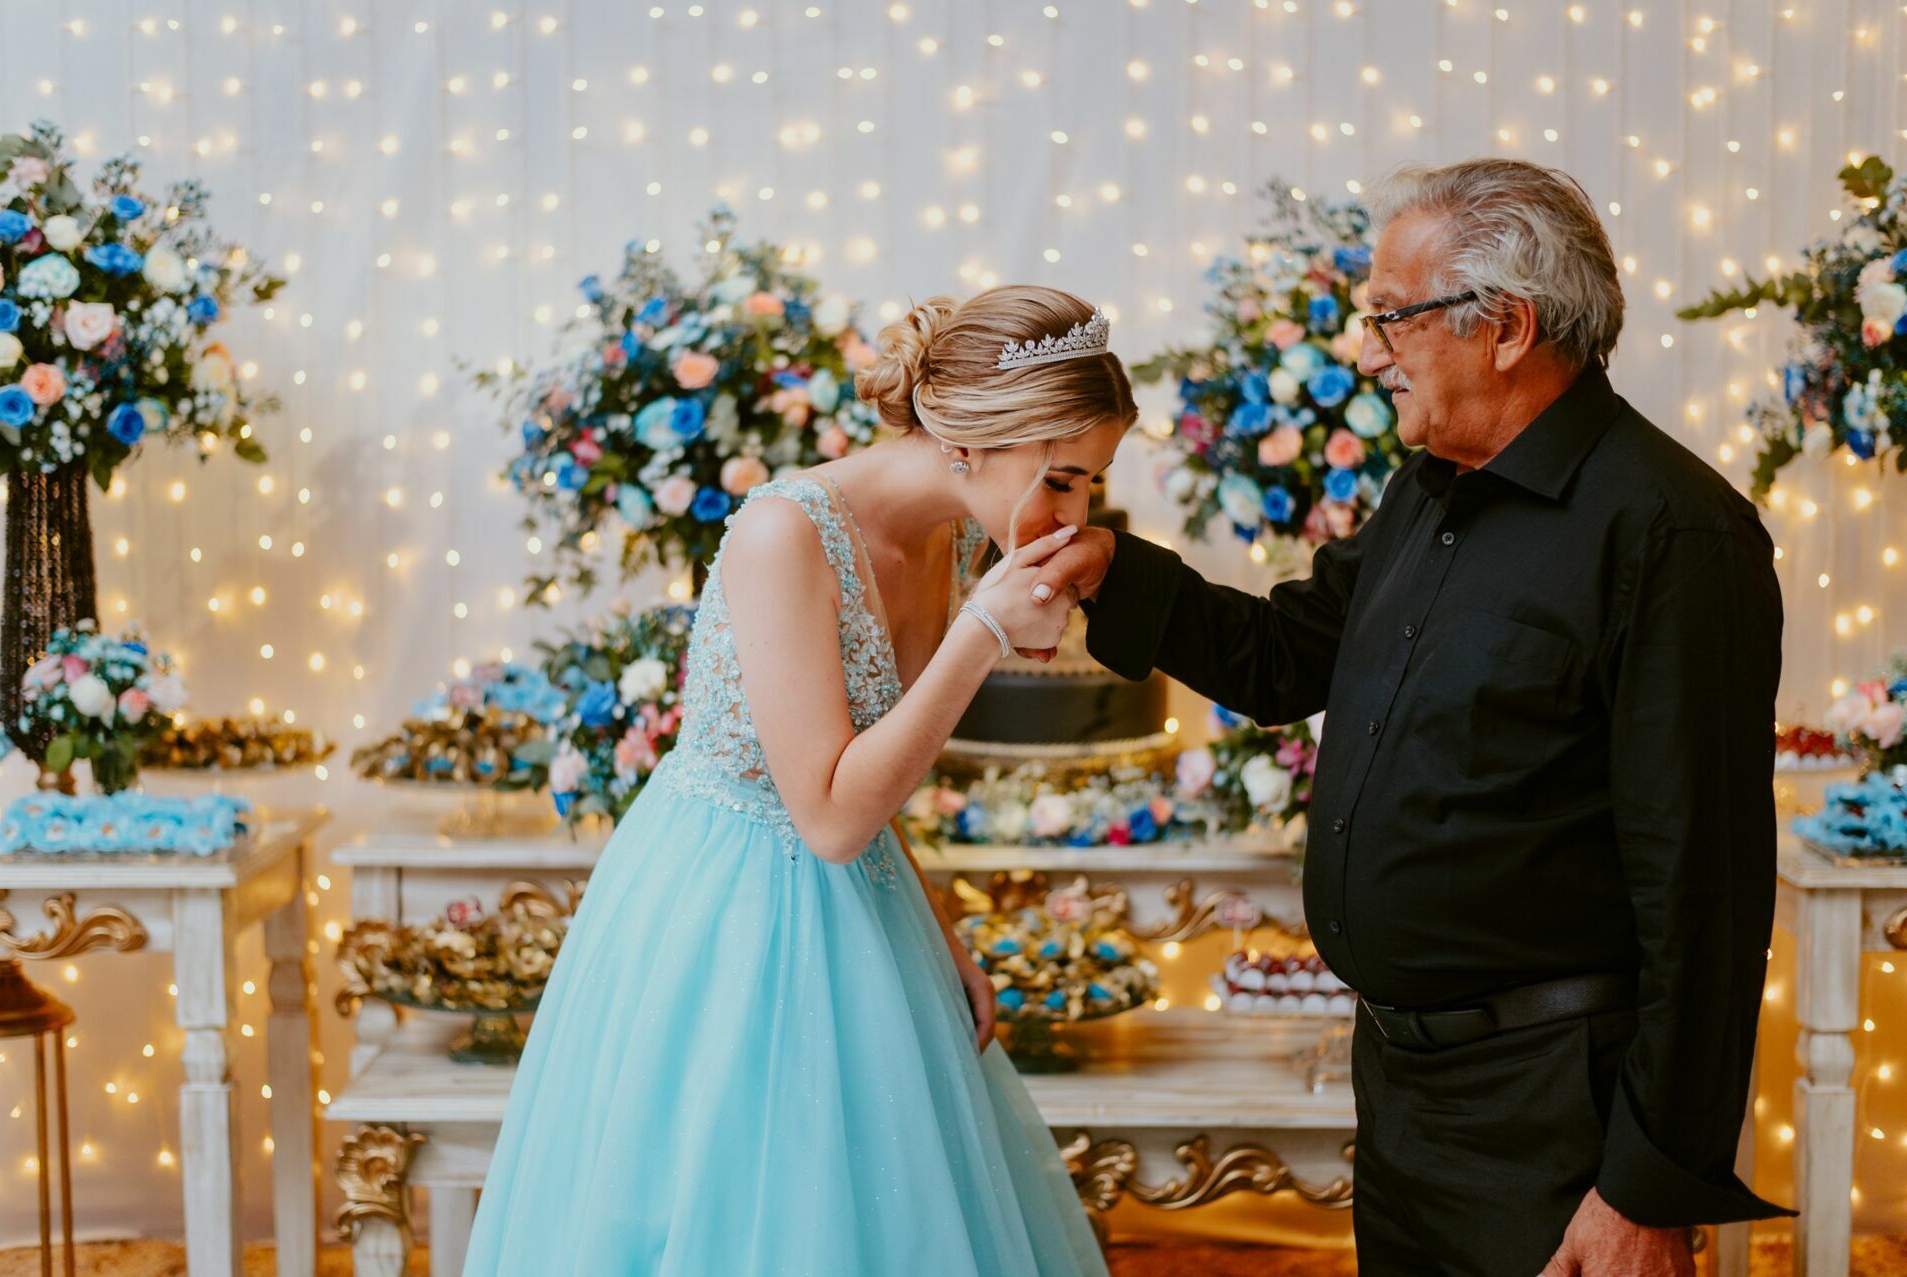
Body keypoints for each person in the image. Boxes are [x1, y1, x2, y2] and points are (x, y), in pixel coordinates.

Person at [1031, 159, 1792, 1275]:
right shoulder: (1430, 487)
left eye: (1390, 314)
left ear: (1508, 327)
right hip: (1403, 1086)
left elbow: (1705, 896)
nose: (1365, 346)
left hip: (1555, 1117)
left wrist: (1642, 1185)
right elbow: (1288, 654)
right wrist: (1108, 565)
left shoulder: (1673, 534)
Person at [463, 285, 1130, 1276]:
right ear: (972, 436)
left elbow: (874, 756)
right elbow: (823, 812)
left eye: (1089, 487)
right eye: (1064, 478)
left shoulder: (953, 535)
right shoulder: (784, 532)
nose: (1071, 518)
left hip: (868, 900)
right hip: (725, 907)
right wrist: (980, 634)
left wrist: (942, 933)